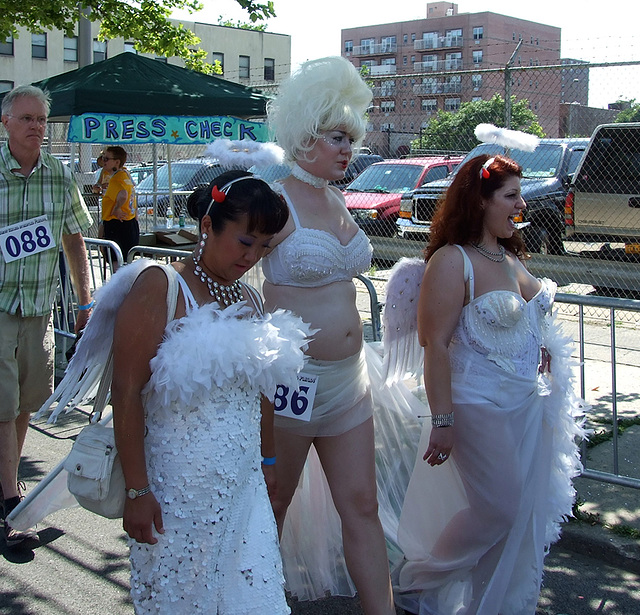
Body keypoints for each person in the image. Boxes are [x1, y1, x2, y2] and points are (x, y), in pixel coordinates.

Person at [109, 169, 309, 613]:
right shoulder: (160, 286)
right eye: (245, 241)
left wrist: (269, 461)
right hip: (175, 492)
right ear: (207, 225)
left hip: (244, 486)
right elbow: (124, 393)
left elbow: (262, 394)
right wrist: (138, 492)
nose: (253, 255)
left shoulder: (251, 301)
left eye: (264, 245)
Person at [391, 154, 584, 614]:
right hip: (476, 402)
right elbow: (433, 344)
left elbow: (526, 317)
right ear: (480, 200)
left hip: (524, 405)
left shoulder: (509, 255)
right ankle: (415, 581)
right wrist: (442, 420)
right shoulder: (452, 260)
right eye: (511, 196)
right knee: (498, 508)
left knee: (516, 517)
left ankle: (487, 604)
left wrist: (534, 342)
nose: (521, 206)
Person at [262, 56, 396, 615]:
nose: (348, 149)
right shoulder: (273, 201)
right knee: (271, 503)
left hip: (350, 382)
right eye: (337, 137)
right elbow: (221, 268)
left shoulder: (339, 200)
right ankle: (251, 602)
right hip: (292, 385)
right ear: (305, 133)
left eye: (352, 138)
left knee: (362, 504)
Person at [0, 85, 93, 547]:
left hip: (38, 307)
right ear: (6, 124)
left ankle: (7, 482)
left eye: (41, 119)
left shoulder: (58, 175)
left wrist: (84, 300)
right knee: (2, 403)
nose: (36, 126)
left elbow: (75, 239)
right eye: (27, 119)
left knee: (24, 403)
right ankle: (8, 500)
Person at [101, 145, 138, 266]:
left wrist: (117, 208)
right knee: (127, 260)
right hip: (129, 223)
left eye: (106, 159)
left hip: (116, 224)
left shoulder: (116, 179)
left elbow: (123, 194)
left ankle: (120, 284)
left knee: (116, 261)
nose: (103, 161)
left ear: (117, 162)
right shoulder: (125, 175)